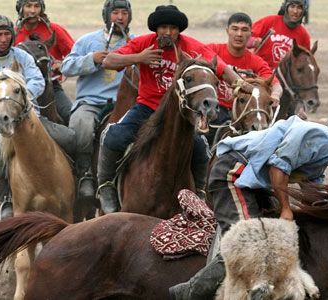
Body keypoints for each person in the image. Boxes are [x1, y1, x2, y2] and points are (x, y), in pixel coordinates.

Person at [170, 105, 328, 300]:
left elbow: (314, 192)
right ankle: (189, 293)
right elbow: (278, 166)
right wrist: (286, 209)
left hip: (251, 184)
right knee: (248, 241)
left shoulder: (323, 151)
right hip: (233, 174)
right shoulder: (324, 139)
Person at [97, 5, 254, 214]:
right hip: (147, 107)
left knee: (200, 148)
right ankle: (106, 187)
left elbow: (222, 68)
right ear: (156, 29)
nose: (168, 32)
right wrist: (139, 58)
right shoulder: (144, 43)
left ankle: (199, 193)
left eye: (173, 28)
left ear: (179, 30)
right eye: (163, 27)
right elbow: (108, 60)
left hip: (179, 111)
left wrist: (243, 85)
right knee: (114, 136)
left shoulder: (191, 47)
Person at [0, 15, 75, 220]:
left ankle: (79, 183)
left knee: (70, 138)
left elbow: (38, 82)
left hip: (31, 121)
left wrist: (18, 92)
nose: (3, 38)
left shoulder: (23, 57)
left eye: (6, 34)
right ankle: (5, 200)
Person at [61, 0, 133, 201]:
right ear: (107, 15)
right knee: (80, 125)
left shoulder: (135, 42)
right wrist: (91, 59)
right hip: (91, 102)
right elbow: (66, 67)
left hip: (125, 105)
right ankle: (85, 174)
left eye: (124, 13)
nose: (120, 18)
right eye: (115, 13)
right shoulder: (87, 41)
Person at [205, 12, 282, 142]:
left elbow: (275, 84)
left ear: (251, 34)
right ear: (227, 31)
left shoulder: (256, 61)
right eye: (235, 29)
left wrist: (275, 95)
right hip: (216, 110)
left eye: (244, 30)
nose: (239, 34)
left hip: (245, 112)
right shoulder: (212, 50)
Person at [14, 0, 75, 124]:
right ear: (20, 8)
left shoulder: (54, 30)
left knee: (71, 116)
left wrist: (62, 64)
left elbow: (75, 54)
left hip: (51, 86)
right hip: (20, 88)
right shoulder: (13, 34)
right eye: (28, 6)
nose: (32, 11)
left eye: (37, 6)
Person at [249, 0, 311, 69]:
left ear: (304, 11)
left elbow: (305, 63)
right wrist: (253, 42)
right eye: (292, 6)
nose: (295, 11)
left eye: (299, 8)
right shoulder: (269, 21)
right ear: (285, 8)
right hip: (259, 72)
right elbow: (244, 38)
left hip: (285, 78)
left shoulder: (304, 35)